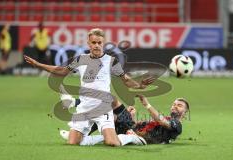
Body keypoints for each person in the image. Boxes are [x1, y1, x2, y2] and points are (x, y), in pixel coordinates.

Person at [24, 28, 155, 147]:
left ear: (103, 43)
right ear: (89, 43)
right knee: (73, 142)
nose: (97, 45)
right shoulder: (81, 60)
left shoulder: (111, 61)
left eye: (99, 42)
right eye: (94, 42)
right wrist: (38, 64)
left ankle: (129, 138)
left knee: (112, 143)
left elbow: (126, 80)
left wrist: (140, 85)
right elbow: (62, 71)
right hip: (84, 108)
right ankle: (95, 137)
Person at [59, 94, 190, 145]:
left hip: (139, 137)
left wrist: (147, 105)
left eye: (179, 105)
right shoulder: (164, 118)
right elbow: (146, 125)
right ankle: (74, 104)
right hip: (131, 128)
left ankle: (75, 106)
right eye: (174, 104)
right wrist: (132, 117)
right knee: (110, 104)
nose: (175, 106)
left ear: (185, 113)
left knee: (111, 107)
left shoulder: (177, 124)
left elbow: (162, 122)